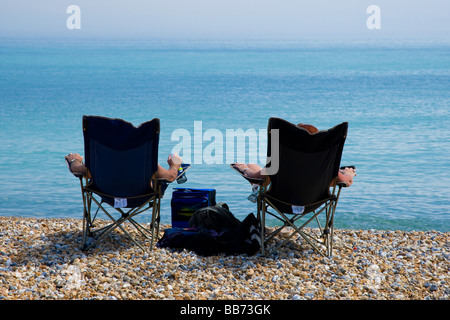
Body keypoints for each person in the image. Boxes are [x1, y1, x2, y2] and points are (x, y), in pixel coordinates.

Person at [231, 123, 356, 188]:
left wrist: (244, 169)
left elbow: (253, 176)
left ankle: (256, 187)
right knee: (255, 168)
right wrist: (348, 173)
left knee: (255, 173)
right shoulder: (324, 165)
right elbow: (347, 181)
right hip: (313, 201)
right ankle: (256, 184)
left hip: (280, 201)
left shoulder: (282, 160)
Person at [65, 152, 183, 182]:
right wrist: (175, 165)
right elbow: (171, 176)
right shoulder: (144, 157)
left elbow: (75, 169)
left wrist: (75, 160)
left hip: (106, 195)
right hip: (141, 196)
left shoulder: (101, 158)